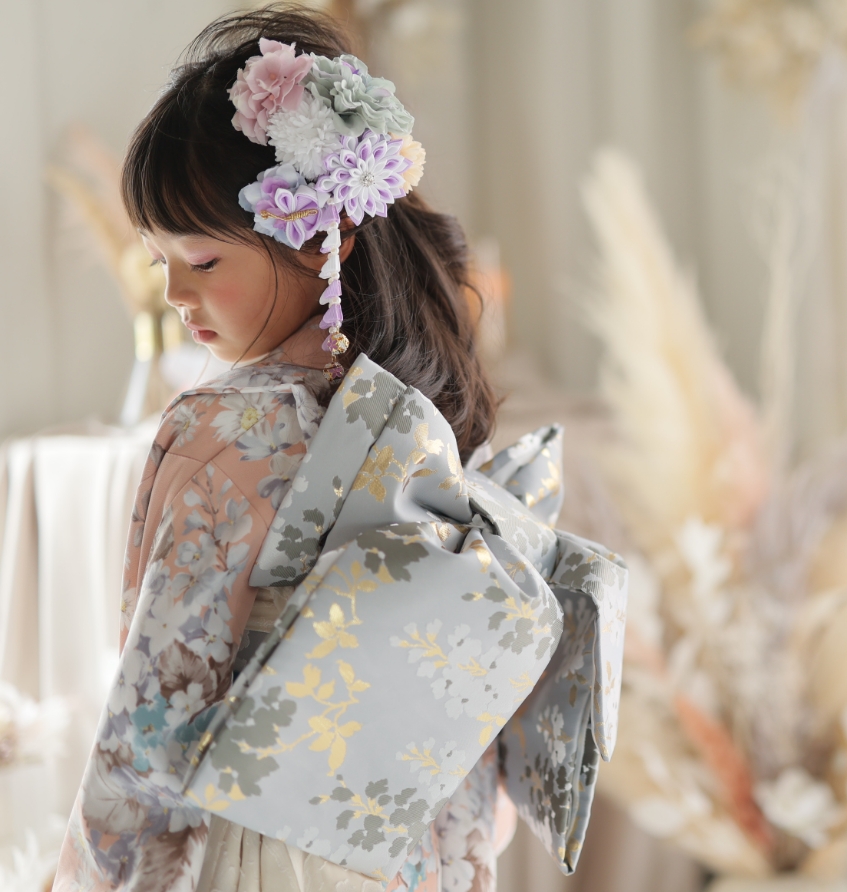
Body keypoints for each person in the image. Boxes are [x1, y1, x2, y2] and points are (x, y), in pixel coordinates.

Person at [51, 6, 624, 891]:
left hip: (264, 853)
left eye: (203, 261)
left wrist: (84, 875)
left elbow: (155, 714)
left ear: (327, 237)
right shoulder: (428, 419)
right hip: (418, 853)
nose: (174, 295)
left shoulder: (219, 432)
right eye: (160, 262)